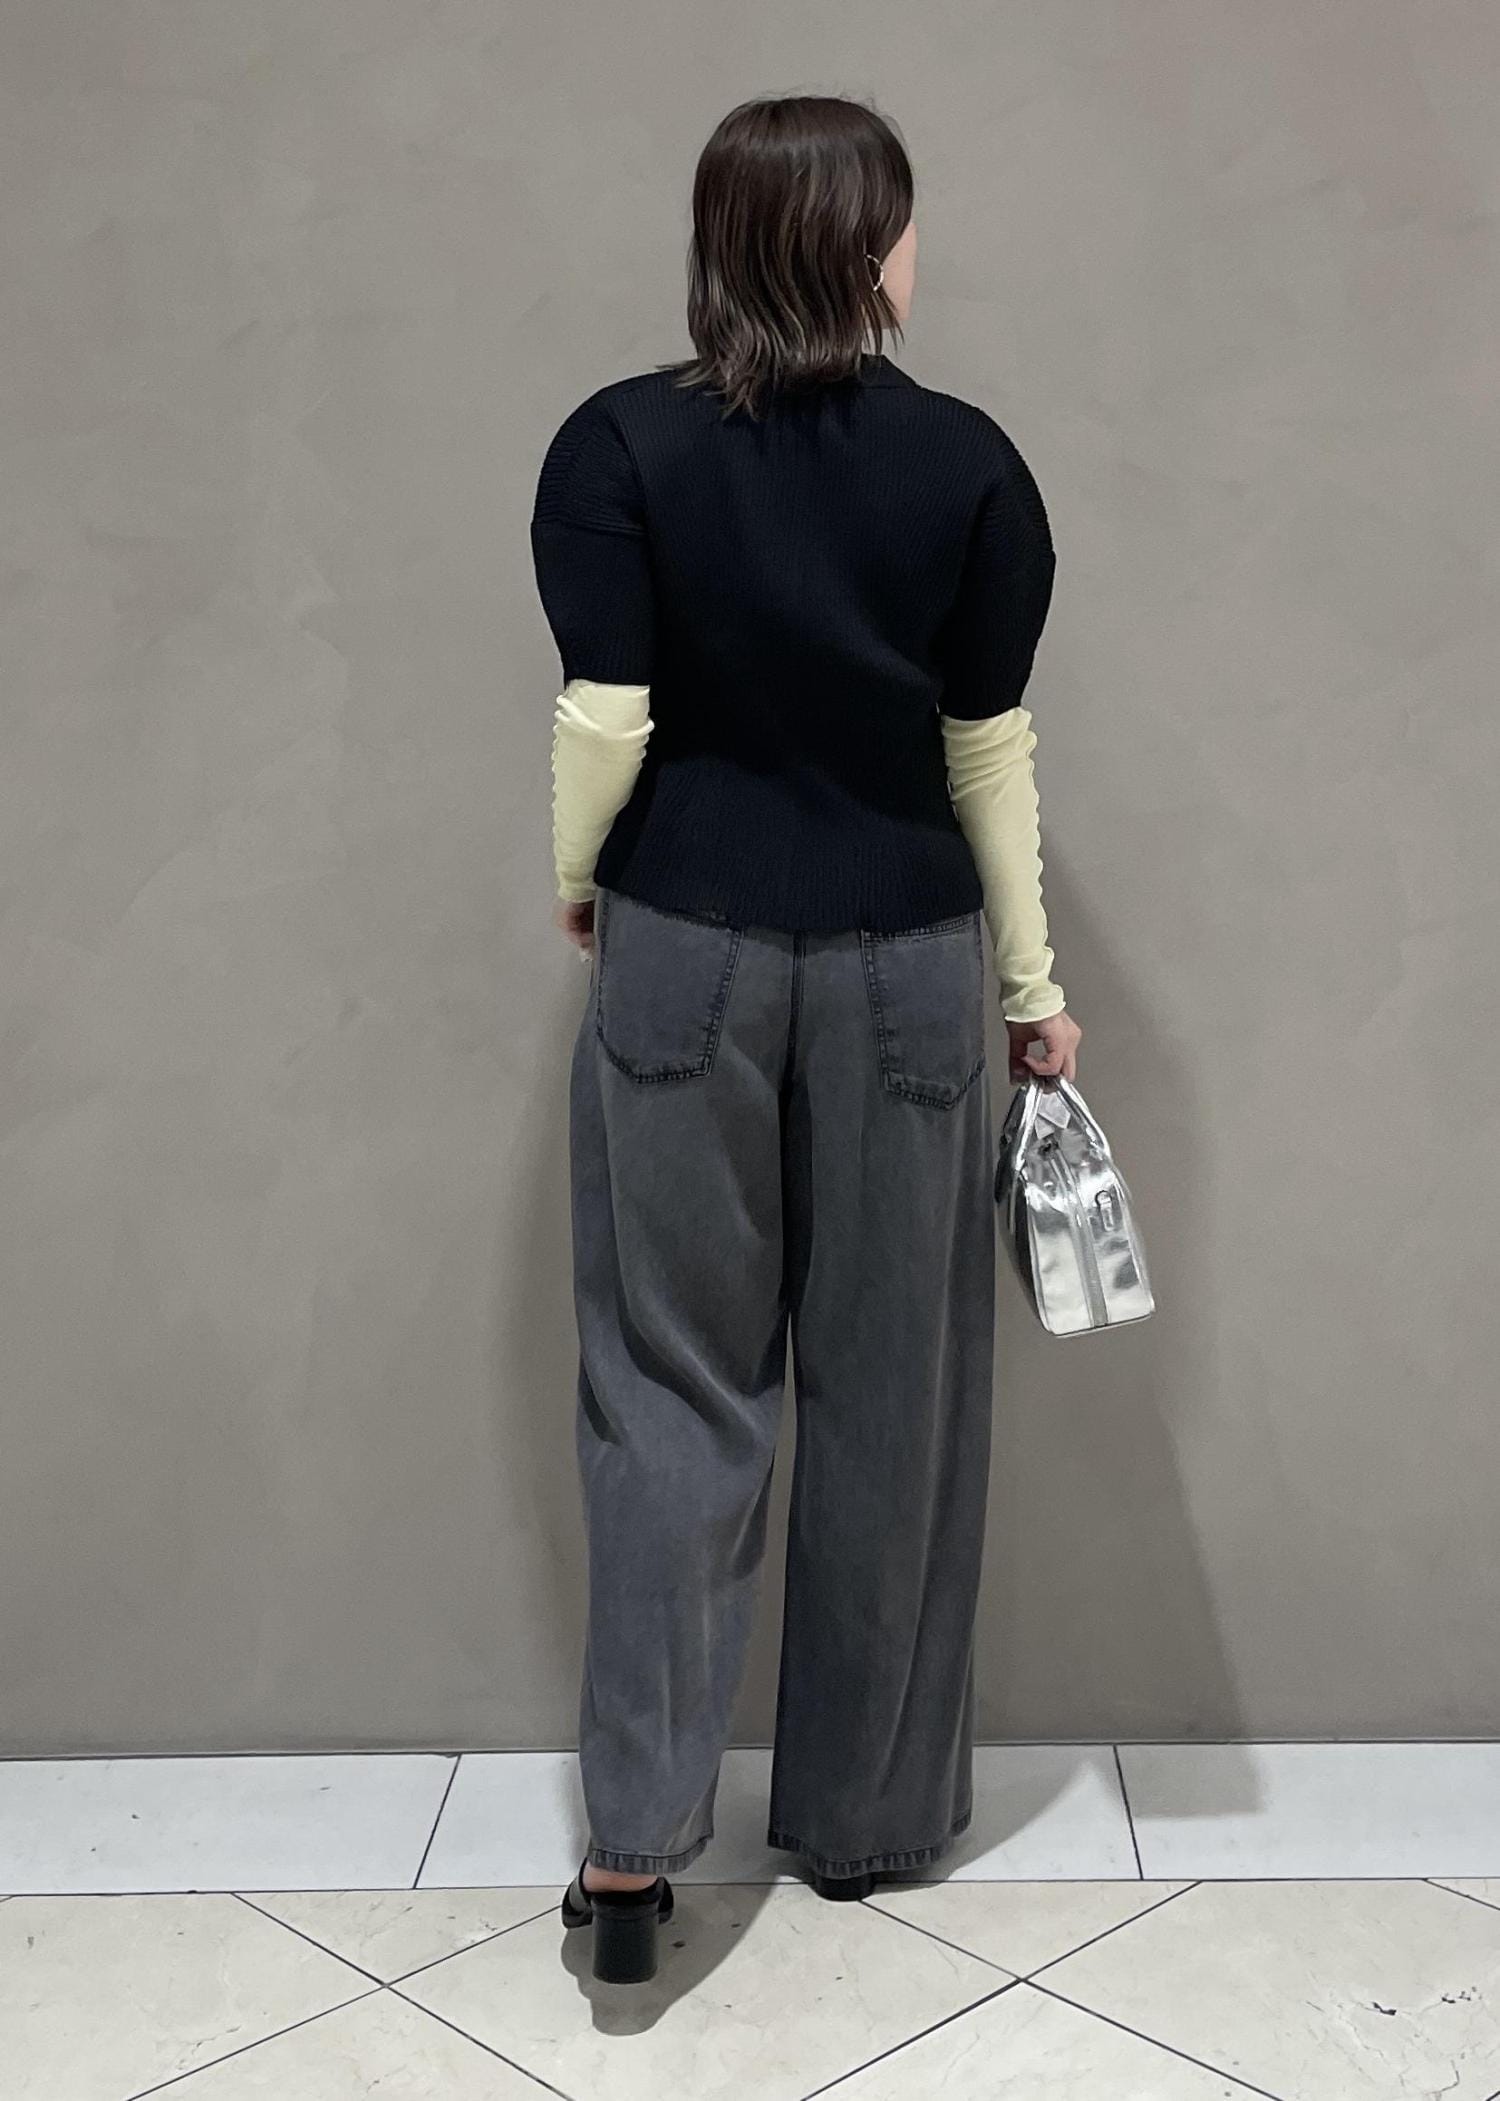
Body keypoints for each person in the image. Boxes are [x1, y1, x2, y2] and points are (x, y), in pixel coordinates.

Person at [531, 92, 1082, 1984]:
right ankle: (860, 1823)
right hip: (908, 964)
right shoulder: (972, 467)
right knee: (892, 1394)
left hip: (682, 947)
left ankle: (630, 1857)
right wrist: (1034, 991)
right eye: (905, 222)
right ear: (865, 248)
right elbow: (986, 752)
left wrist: (585, 882)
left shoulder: (616, 445)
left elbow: (607, 715)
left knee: (668, 1390)